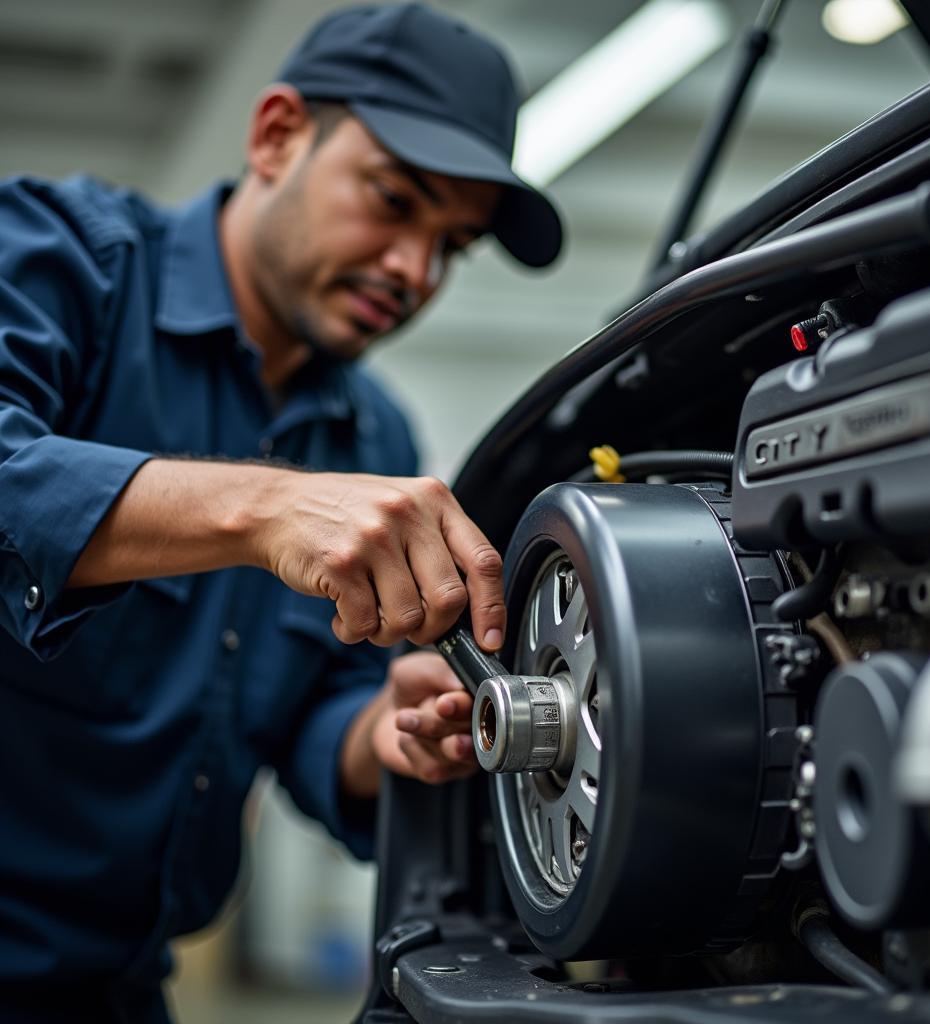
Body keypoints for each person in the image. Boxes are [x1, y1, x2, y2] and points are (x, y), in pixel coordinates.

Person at [0, 4, 562, 1020]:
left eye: (452, 245)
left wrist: (381, 729)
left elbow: (313, 705)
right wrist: (258, 506)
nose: (414, 270)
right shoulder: (63, 262)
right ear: (274, 135)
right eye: (393, 201)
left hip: (118, 989)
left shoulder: (371, 438)